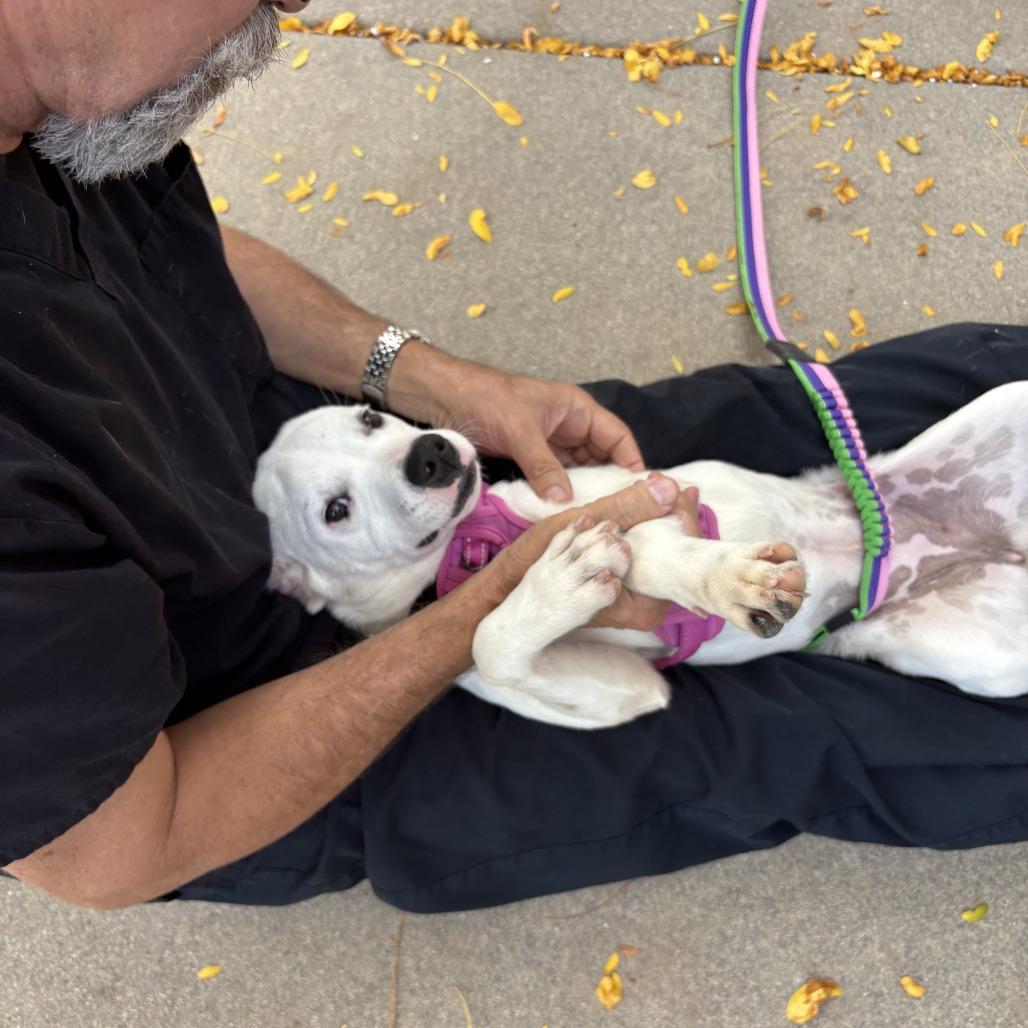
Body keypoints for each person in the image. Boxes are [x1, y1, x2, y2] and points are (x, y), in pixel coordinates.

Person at [2, 1, 1027, 914]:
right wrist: (501, 604)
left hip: (317, 460)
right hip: (247, 732)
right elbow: (114, 852)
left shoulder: (78, 95)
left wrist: (427, 381)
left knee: (803, 419)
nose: (295, 8)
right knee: (797, 733)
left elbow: (189, 252)